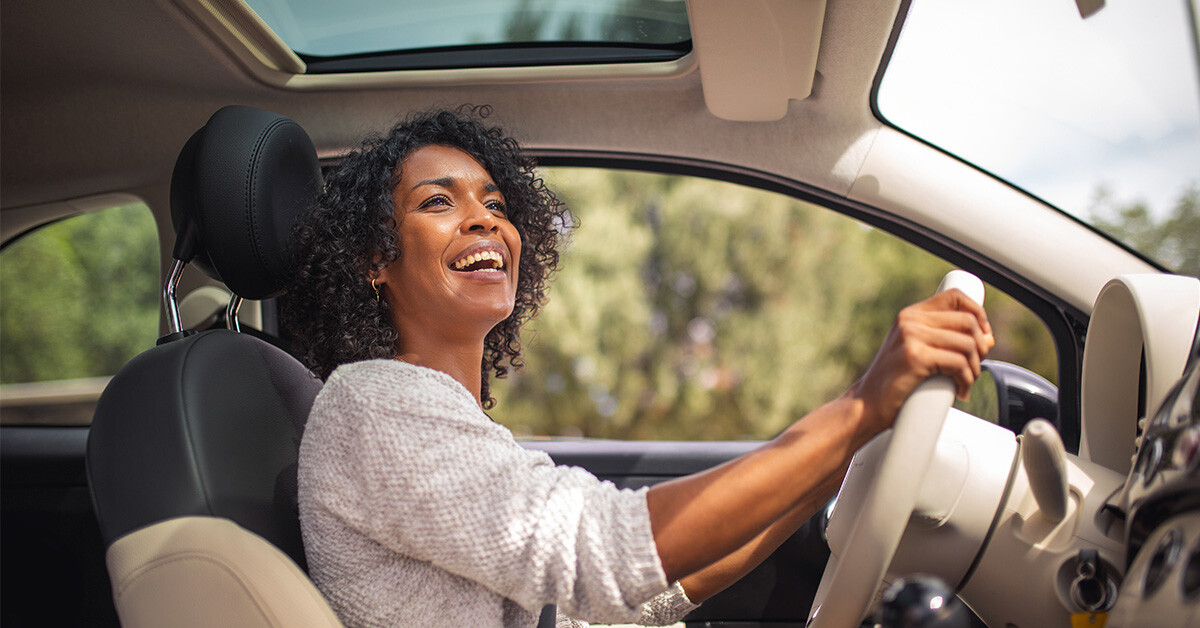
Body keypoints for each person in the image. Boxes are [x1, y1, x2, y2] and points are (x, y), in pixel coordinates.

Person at [284, 106, 994, 628]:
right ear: (376, 260)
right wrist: (860, 409)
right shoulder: (372, 404)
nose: (485, 221)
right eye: (438, 202)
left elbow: (631, 596)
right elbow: (602, 554)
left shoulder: (456, 427)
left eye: (496, 205)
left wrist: (835, 463)